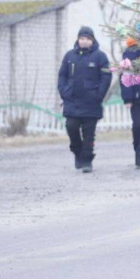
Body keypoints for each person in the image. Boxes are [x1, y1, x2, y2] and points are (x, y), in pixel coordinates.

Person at [58, 26, 112, 173]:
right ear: (78, 39)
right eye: (82, 38)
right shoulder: (69, 56)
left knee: (89, 134)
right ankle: (77, 153)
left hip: (91, 102)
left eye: (88, 39)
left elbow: (106, 77)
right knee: (71, 127)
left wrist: (98, 95)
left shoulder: (100, 57)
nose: (84, 41)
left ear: (92, 40)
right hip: (72, 101)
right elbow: (62, 75)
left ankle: (87, 160)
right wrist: (64, 92)